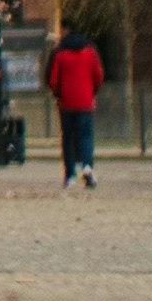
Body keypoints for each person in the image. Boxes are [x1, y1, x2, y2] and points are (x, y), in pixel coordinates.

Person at [44, 27, 108, 190]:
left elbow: (53, 81)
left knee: (68, 139)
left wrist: (59, 94)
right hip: (86, 101)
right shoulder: (90, 53)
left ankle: (70, 175)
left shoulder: (61, 54)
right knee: (86, 136)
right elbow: (99, 75)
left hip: (66, 103)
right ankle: (87, 165)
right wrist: (92, 91)